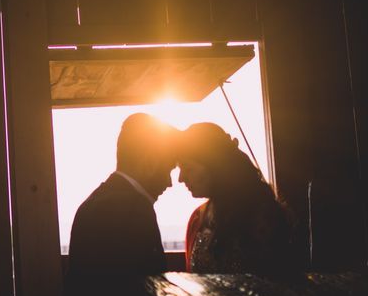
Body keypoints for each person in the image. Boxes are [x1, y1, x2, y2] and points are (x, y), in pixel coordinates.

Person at [66, 112, 180, 278]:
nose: (169, 183)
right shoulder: (135, 210)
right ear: (150, 164)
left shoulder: (95, 202)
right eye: (168, 169)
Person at [177, 122, 293, 273]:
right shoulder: (198, 217)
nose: (181, 178)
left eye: (188, 169)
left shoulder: (263, 215)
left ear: (214, 166)